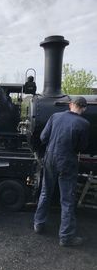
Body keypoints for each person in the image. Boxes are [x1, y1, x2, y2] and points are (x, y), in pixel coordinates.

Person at [34, 96, 90, 247]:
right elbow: (82, 147)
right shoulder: (84, 123)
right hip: (67, 161)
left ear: (71, 105)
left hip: (50, 157)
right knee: (67, 199)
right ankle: (66, 237)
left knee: (45, 192)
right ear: (84, 108)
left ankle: (38, 224)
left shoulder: (55, 116)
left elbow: (43, 137)